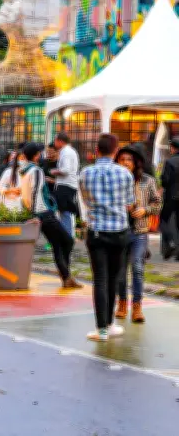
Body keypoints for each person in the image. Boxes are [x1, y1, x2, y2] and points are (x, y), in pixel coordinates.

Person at [79, 134, 135, 342]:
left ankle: (101, 329)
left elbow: (85, 200)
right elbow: (129, 203)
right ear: (116, 151)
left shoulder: (86, 173)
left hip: (96, 231)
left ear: (97, 150)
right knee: (114, 278)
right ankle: (110, 324)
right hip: (119, 231)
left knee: (100, 279)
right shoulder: (125, 174)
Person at [19, 143, 82, 289]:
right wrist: (36, 215)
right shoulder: (36, 171)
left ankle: (66, 276)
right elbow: (35, 192)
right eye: (40, 153)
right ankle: (66, 274)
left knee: (57, 244)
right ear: (36, 155)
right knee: (67, 241)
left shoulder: (24, 171)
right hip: (43, 213)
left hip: (38, 212)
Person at [114, 144, 161, 324]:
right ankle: (122, 303)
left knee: (138, 268)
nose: (126, 162)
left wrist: (145, 210)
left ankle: (137, 306)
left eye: (129, 159)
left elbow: (158, 203)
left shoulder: (147, 181)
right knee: (120, 271)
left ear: (136, 162)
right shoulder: (114, 180)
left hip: (139, 232)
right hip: (119, 231)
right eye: (122, 159)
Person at [51, 133, 81, 237]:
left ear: (60, 141)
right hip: (67, 185)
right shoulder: (68, 151)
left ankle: (67, 236)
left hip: (66, 185)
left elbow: (65, 170)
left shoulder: (66, 152)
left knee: (65, 212)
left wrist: (54, 171)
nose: (54, 143)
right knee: (64, 211)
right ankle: (66, 236)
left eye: (55, 140)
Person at [159, 137, 179, 260]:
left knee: (163, 221)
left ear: (173, 148)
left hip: (171, 197)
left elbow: (165, 180)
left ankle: (171, 242)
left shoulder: (170, 162)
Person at [0, 146, 24, 210]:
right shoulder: (9, 171)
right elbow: (1, 187)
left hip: (23, 205)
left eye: (25, 158)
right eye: (22, 158)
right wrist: (11, 190)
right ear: (17, 159)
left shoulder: (29, 173)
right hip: (9, 205)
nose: (23, 160)